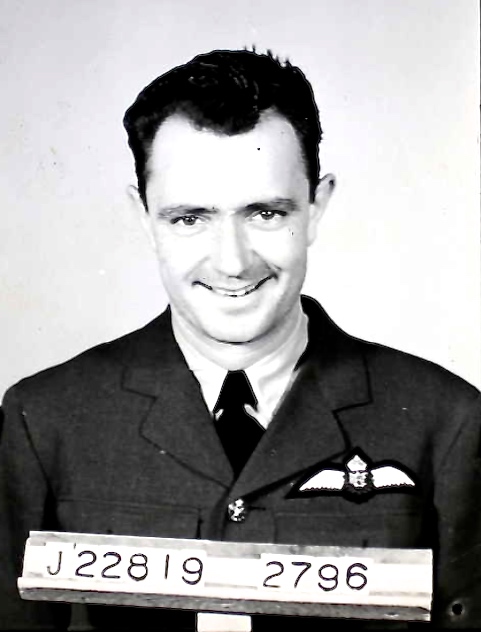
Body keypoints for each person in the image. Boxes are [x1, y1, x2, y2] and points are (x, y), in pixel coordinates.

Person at [0, 48, 480, 631]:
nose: (232, 262)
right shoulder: (43, 419)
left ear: (317, 205)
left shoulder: (447, 420)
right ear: (142, 215)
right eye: (189, 218)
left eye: (266, 214)